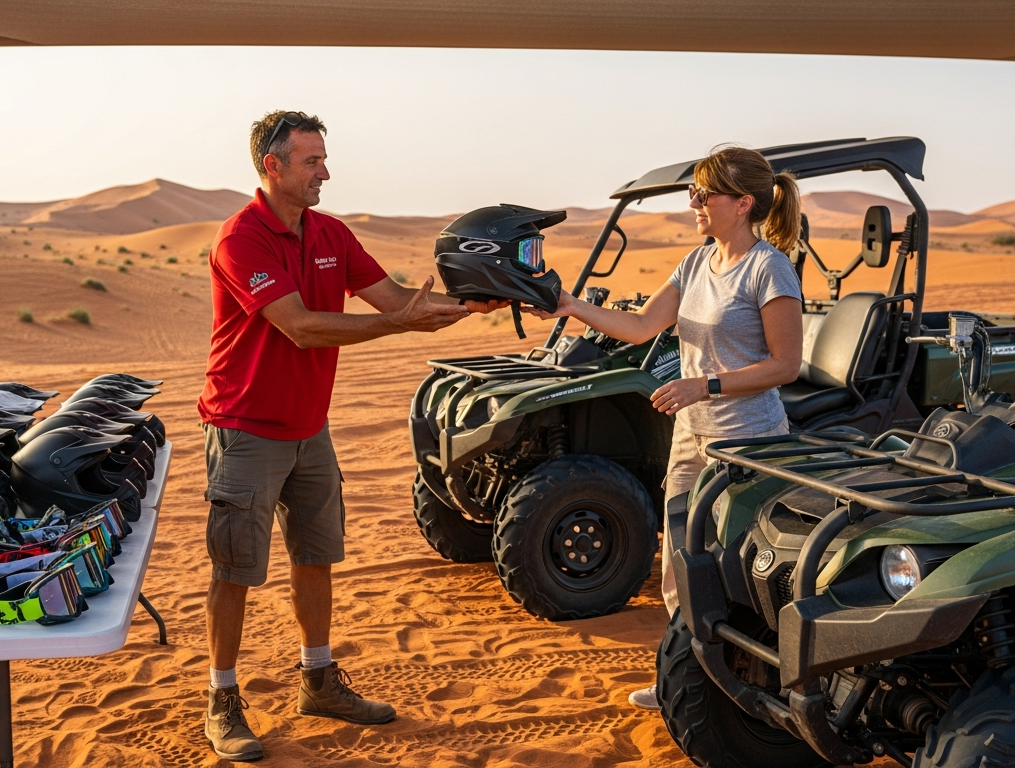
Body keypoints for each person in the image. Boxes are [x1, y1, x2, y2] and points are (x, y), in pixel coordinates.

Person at [198, 110, 504, 761]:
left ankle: (318, 680)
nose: (325, 172)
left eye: (323, 158)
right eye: (312, 161)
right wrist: (402, 326)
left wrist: (475, 303)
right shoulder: (240, 240)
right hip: (245, 429)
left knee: (317, 554)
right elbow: (301, 326)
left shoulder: (331, 234)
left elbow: (398, 302)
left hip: (311, 429)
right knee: (236, 567)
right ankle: (222, 698)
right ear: (272, 166)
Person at [524, 145, 804, 710]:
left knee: (738, 565)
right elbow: (641, 326)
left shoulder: (769, 268)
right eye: (694, 191)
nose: (694, 202)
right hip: (691, 438)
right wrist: (570, 305)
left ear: (743, 202)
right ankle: (684, 675)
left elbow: (785, 364)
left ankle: (749, 683)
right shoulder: (696, 261)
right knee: (679, 560)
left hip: (747, 443)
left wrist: (707, 384)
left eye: (705, 192)